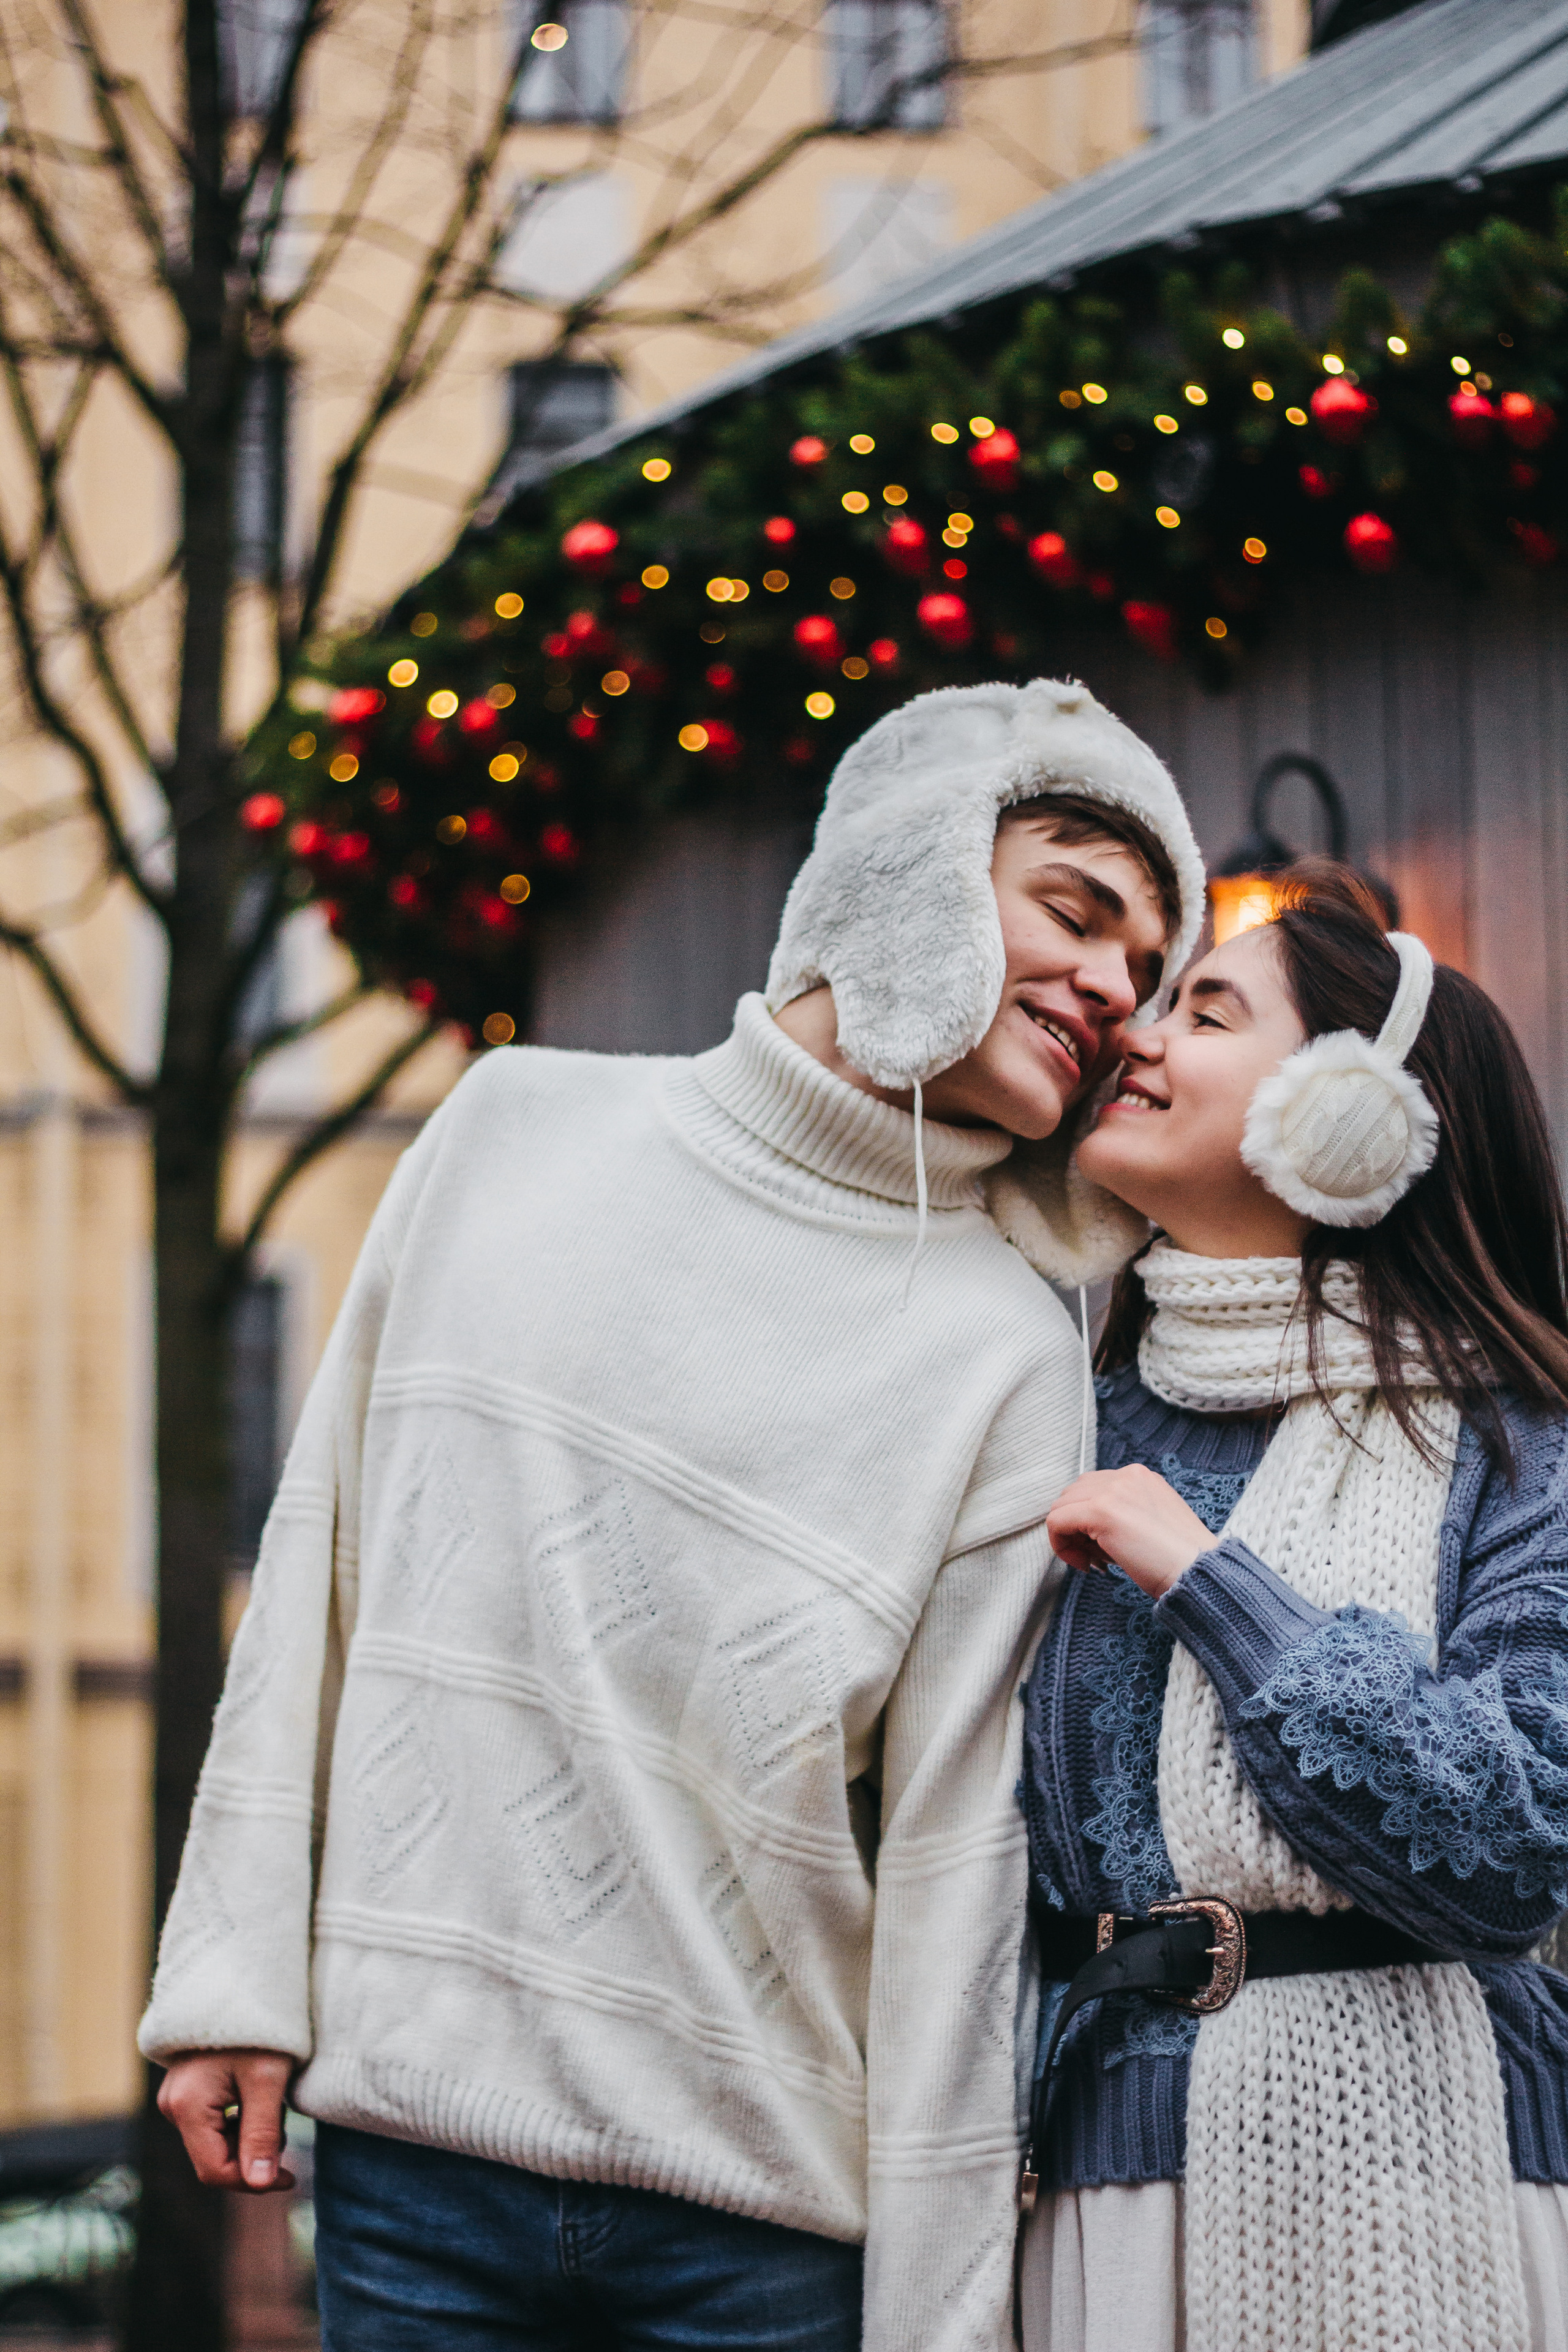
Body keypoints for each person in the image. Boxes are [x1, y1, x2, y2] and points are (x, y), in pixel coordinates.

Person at [139, 678, 1205, 2352]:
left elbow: (959, 1878)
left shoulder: (1010, 1355)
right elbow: (318, 1574)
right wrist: (230, 1973)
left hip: (763, 2237)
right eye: (1075, 914)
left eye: (1147, 965)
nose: (1117, 992)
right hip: (413, 2167)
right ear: (908, 868)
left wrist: (935, 2323)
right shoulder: (504, 1129)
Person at [1017, 861, 1568, 2352]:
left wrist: (1210, 1586)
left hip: (1436, 2180)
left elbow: (1516, 1848)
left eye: (1203, 1012)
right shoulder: (1059, 1419)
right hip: (1104, 2180)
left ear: (1347, 1120)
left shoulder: (1518, 1445)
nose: (1133, 1034)